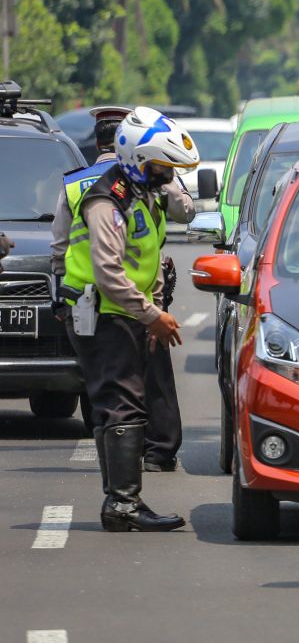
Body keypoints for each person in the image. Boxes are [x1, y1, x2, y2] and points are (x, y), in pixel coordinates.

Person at [59, 106, 199, 532]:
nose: (168, 174)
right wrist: (154, 315)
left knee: (112, 406)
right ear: (140, 160)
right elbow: (109, 271)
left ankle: (118, 503)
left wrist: (152, 307)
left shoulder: (139, 194)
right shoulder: (108, 200)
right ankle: (123, 504)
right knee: (123, 407)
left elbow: (147, 259)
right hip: (103, 314)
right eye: (162, 165)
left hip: (122, 313)